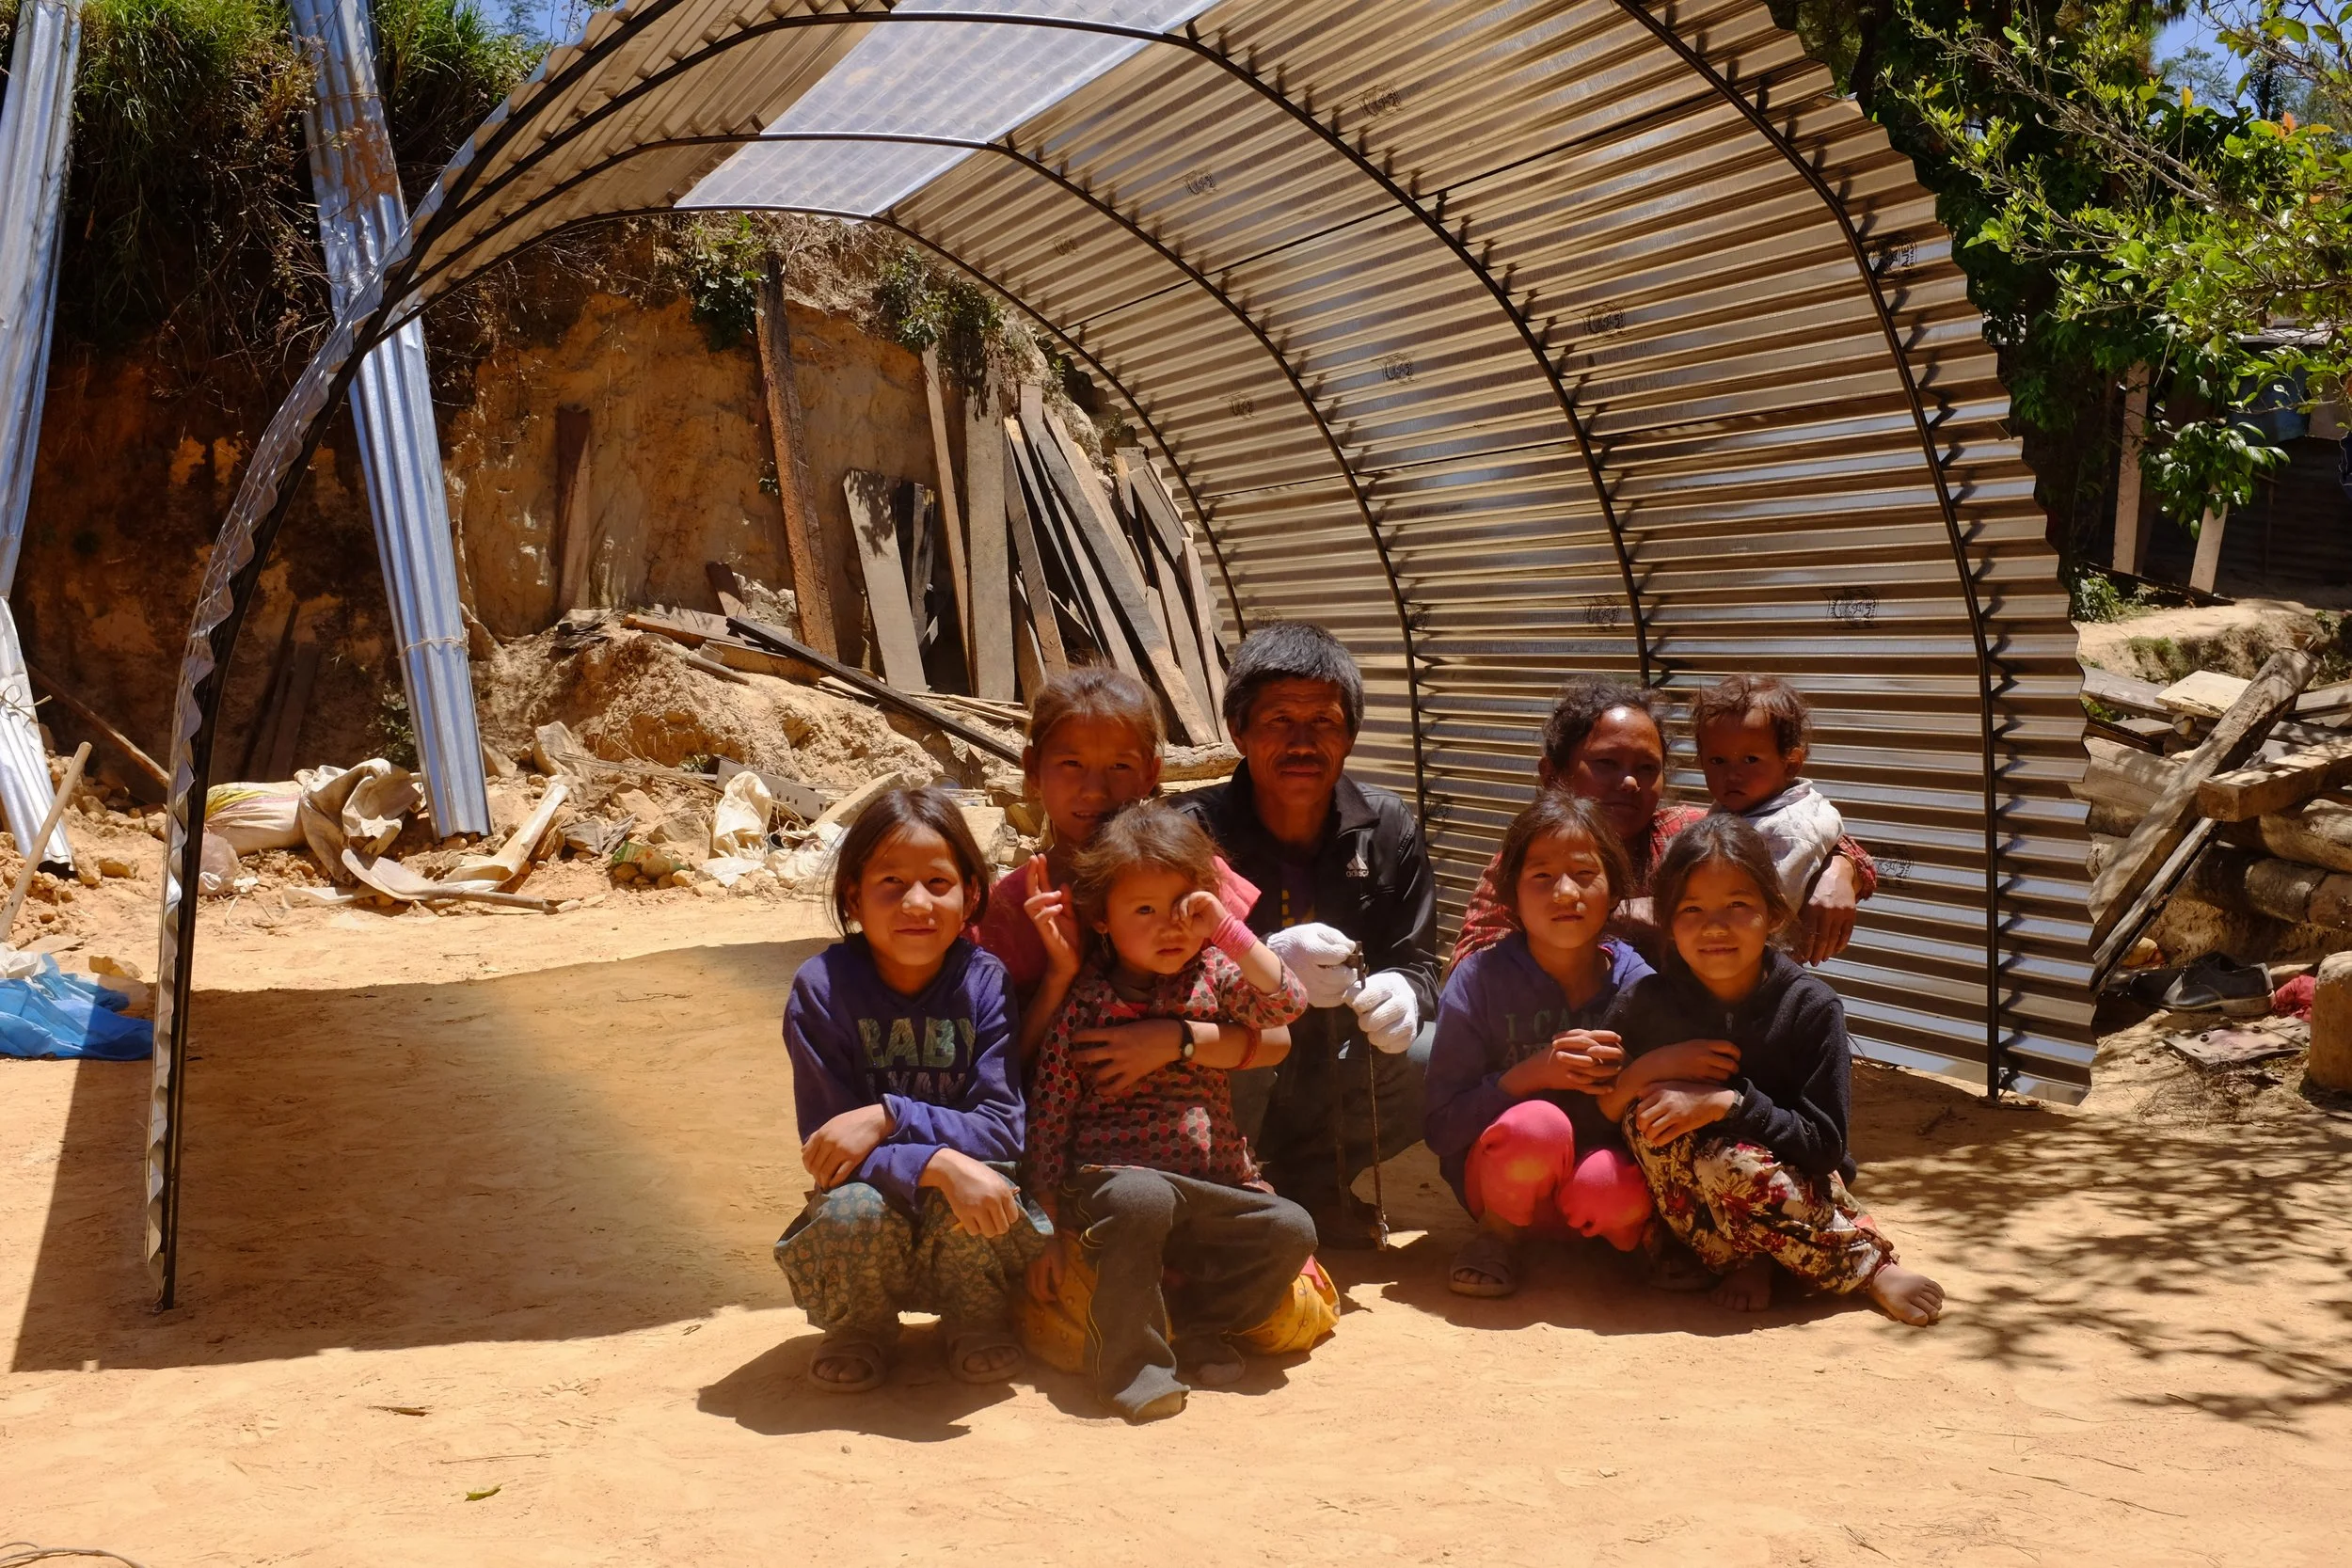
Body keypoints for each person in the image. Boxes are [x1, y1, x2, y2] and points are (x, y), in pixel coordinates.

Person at [1023, 801, 1315, 1422]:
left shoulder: (1214, 976)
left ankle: (1198, 1324)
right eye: (1145, 910)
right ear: (1102, 918)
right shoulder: (1088, 1006)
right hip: (1115, 1189)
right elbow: (1049, 1113)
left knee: (1291, 1228)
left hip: (1211, 1188)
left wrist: (1228, 931)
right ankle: (1132, 1367)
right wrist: (1044, 1218)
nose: (1169, 927)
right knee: (1143, 1199)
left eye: (1185, 906)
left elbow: (1288, 1002)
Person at [1597, 815, 1944, 1325]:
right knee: (1647, 1119)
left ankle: (1868, 1268)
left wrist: (1727, 1103)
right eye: (1692, 909)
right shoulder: (1646, 1003)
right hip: (1697, 1210)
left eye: (1737, 905)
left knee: (1727, 1160)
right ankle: (1749, 1260)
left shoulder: (1810, 1006)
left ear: (1774, 915)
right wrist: (1649, 1068)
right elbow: (1601, 1111)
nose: (1715, 926)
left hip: (1790, 1184)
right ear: (1668, 922)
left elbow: (1826, 1146)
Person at [1172, 623, 1438, 1248]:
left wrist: (1402, 991)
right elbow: (1146, 968)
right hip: (1227, 1071)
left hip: (1333, 1066)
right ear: (1238, 731)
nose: (1302, 742)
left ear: (1349, 734)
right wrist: (1260, 968)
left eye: (1323, 722)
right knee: (1245, 1039)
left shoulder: (1388, 826)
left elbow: (1420, 962)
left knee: (1432, 1055)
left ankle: (1315, 1180)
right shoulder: (1188, 832)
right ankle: (1220, 1196)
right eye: (1278, 722)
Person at [774, 786, 1043, 1393]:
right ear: (854, 899)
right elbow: (831, 1153)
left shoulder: (984, 982)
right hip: (873, 1192)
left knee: (979, 1189)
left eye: (938, 884)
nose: (916, 903)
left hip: (965, 1199)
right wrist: (939, 1160)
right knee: (851, 1211)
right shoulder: (822, 989)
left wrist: (888, 1116)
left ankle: (975, 1319)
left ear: (971, 895)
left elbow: (1002, 1128)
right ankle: (859, 1327)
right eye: (891, 884)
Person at [974, 666, 1277, 1074]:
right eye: (1070, 763)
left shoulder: (1195, 879)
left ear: (1150, 774)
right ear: (1032, 769)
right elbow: (996, 1073)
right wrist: (1058, 978)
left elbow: (1276, 1038)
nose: (1095, 789)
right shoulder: (1007, 912)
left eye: (1119, 766)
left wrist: (1175, 1040)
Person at [1452, 677, 1878, 967]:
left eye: (1648, 768)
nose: (1631, 782)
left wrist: (1839, 871)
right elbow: (1470, 963)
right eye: (1606, 763)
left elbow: (1798, 825)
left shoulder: (1687, 833)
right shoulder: (1528, 864)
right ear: (1552, 776)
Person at [1422, 794, 1656, 1297]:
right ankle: (1497, 1239)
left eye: (1584, 873)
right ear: (1511, 896)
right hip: (1498, 1185)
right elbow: (1442, 1131)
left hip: (1591, 1189)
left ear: (1615, 888)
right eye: (1542, 877)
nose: (1565, 892)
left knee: (1610, 1186)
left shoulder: (1639, 984)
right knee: (1538, 1124)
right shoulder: (1478, 980)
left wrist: (1629, 1075)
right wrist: (1528, 1076)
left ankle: (1629, 1244)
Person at [1690, 673, 1844, 909]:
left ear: (1791, 763)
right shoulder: (1735, 805)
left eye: (1750, 759)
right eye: (1717, 760)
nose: (1732, 775)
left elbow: (1769, 915)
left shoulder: (1788, 832)